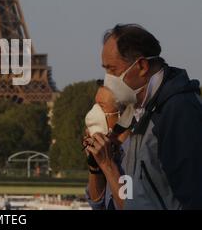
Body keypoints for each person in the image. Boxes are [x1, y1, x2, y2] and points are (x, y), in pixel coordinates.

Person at [87, 24, 202, 210]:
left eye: (113, 70)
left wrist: (108, 166)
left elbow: (192, 196)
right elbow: (133, 198)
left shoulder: (178, 111)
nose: (108, 79)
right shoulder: (143, 110)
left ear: (141, 66)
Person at [84, 85, 130, 209]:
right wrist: (94, 165)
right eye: (95, 104)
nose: (94, 112)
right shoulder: (109, 149)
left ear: (122, 115)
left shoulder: (135, 153)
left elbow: (129, 205)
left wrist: (107, 164)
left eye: (102, 106)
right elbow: (97, 203)